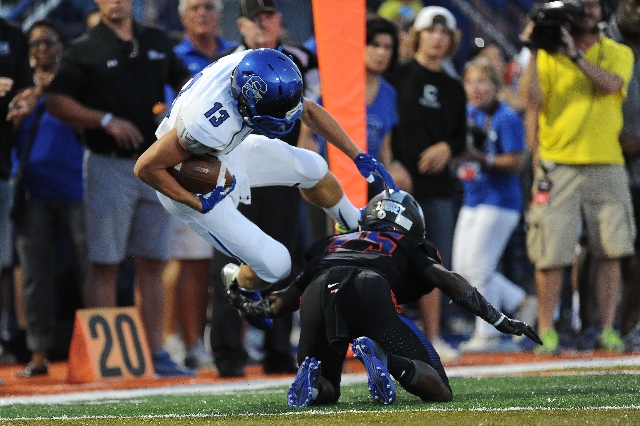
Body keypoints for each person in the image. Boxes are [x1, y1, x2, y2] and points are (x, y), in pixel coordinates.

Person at [133, 48, 397, 371]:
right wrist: (196, 202)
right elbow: (146, 167)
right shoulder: (206, 119)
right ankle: (239, 285)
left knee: (313, 165)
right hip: (187, 179)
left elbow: (308, 111)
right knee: (277, 263)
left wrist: (356, 154)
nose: (286, 120)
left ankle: (352, 224)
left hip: (226, 151)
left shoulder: (261, 68)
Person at [225, 190, 542, 406]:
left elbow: (280, 304)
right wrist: (498, 318)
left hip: (318, 291)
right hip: (369, 289)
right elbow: (449, 280)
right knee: (440, 390)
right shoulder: (406, 243)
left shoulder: (332, 243)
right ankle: (386, 359)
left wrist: (239, 298)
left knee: (328, 389)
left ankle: (313, 380)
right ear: (410, 224)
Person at [46, 0, 194, 377]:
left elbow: (188, 84)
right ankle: (105, 358)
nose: (116, 2)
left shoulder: (156, 40)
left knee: (154, 261)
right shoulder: (84, 49)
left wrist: (177, 115)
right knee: (105, 262)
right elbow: (57, 101)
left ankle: (155, 351)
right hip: (108, 163)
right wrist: (105, 120)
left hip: (155, 164)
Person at [207, 0, 324, 375]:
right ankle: (228, 353)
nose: (262, 25)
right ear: (240, 24)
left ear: (278, 20)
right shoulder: (224, 65)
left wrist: (308, 149)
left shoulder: (300, 59)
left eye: (268, 17)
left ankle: (278, 348)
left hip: (278, 172)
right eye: (254, 19)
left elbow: (313, 108)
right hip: (234, 172)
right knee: (230, 258)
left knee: (283, 259)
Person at [520, 0, 635, 354]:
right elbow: (530, 100)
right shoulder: (547, 55)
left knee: (611, 250)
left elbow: (611, 84)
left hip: (606, 162)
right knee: (551, 253)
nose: (587, 10)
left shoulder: (618, 51)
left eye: (592, 5)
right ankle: (547, 330)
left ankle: (607, 329)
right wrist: (531, 49)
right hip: (558, 164)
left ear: (601, 12)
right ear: (567, 14)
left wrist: (574, 57)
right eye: (580, 5)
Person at [5, 20, 87, 377]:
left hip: (76, 188)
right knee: (35, 277)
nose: (42, 49)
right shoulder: (20, 90)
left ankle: (96, 351)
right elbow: (10, 129)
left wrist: (52, 95)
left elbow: (87, 124)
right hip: (33, 190)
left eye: (49, 41)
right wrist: (27, 102)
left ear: (62, 46)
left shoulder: (77, 86)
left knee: (91, 272)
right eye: (35, 43)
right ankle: (38, 354)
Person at [385, 6, 466, 361]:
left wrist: (447, 147)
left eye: (444, 33)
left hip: (437, 187)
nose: (437, 38)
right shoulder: (396, 76)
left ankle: (431, 340)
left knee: (434, 263)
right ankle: (384, 339)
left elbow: (461, 137)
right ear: (417, 35)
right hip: (397, 184)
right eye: (431, 31)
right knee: (387, 263)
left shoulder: (453, 86)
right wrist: (393, 164)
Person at [167, 0, 239, 371]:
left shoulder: (232, 55)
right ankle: (191, 341)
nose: (203, 13)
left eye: (210, 6)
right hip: (189, 162)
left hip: (235, 163)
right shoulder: (174, 56)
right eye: (195, 7)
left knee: (235, 255)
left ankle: (237, 339)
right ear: (182, 16)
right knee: (193, 261)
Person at [453, 57, 536, 353]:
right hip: (473, 196)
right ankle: (519, 301)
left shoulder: (506, 117)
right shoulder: (466, 114)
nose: (477, 88)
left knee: (479, 266)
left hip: (501, 201)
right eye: (471, 82)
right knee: (461, 269)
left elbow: (517, 161)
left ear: (496, 85)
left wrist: (481, 158)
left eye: (483, 82)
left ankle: (487, 332)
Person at [0, 17, 33, 361]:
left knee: (2, 263)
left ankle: (3, 339)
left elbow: (27, 88)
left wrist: (26, 100)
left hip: (1, 164)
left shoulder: (11, 34)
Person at [365, 16, 411, 199]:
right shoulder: (337, 86)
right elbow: (309, 134)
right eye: (375, 45)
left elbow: (385, 146)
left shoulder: (389, 93)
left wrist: (393, 171)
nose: (382, 53)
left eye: (388, 47)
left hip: (371, 185)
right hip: (335, 179)